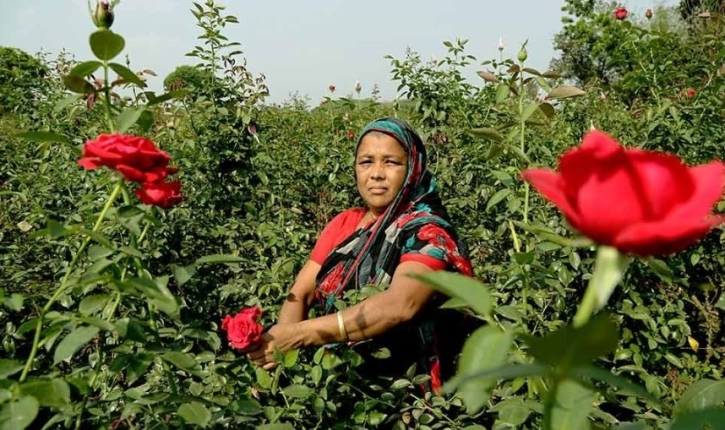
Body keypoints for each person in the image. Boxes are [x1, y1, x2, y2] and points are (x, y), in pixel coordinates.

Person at [246, 117, 474, 393]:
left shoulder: (427, 232)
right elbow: (301, 292)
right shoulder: (344, 224)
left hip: (408, 393)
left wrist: (298, 336)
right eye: (366, 162)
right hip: (339, 382)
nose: (376, 173)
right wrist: (276, 356)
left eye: (391, 162)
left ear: (413, 168)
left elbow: (400, 305)